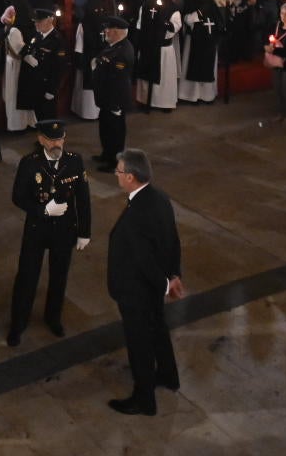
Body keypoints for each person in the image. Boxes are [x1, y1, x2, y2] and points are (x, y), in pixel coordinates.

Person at [108, 148, 183, 417]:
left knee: (139, 343)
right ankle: (168, 376)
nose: (116, 175)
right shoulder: (160, 198)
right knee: (158, 329)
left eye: (119, 171)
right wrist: (173, 275)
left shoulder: (137, 214)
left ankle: (144, 400)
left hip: (136, 290)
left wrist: (166, 284)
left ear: (130, 177)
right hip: (152, 287)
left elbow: (143, 259)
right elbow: (173, 240)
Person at [6, 120, 91, 346]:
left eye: (60, 139)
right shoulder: (29, 163)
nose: (57, 144)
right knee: (27, 277)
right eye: (52, 140)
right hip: (37, 228)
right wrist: (42, 210)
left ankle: (53, 318)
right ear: (41, 139)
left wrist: (84, 232)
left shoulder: (74, 161)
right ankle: (18, 324)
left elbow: (83, 199)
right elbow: (18, 197)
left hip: (64, 229)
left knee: (59, 276)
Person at [92, 16, 135, 172]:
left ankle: (114, 162)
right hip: (107, 98)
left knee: (115, 132)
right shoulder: (113, 46)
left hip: (115, 99)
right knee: (105, 128)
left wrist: (116, 104)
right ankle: (106, 154)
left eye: (108, 30)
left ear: (116, 32)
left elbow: (119, 80)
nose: (106, 32)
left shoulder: (123, 51)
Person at [18, 8, 66, 122]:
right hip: (36, 85)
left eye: (39, 21)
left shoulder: (57, 40)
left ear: (50, 20)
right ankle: (41, 134)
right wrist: (26, 56)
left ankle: (51, 134)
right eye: (35, 21)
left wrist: (52, 90)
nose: (36, 24)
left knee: (48, 118)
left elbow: (59, 68)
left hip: (47, 85)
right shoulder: (37, 36)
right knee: (39, 117)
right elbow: (27, 50)